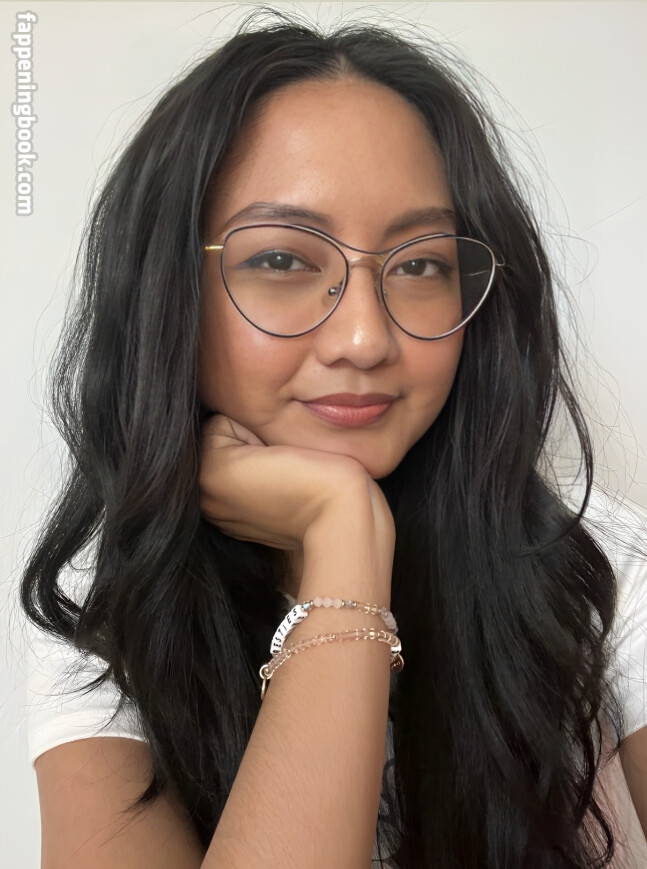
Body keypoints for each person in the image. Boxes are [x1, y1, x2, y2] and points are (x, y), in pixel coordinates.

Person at [20, 9, 647, 869]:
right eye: (282, 260)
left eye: (420, 264)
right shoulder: (104, 604)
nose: (363, 338)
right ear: (168, 292)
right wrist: (342, 536)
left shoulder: (599, 564)